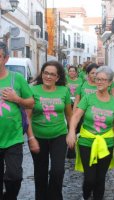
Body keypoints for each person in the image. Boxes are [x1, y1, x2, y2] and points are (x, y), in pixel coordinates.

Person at [67, 66, 114, 200]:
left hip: (106, 143)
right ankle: (86, 196)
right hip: (87, 141)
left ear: (110, 83)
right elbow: (76, 116)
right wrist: (72, 132)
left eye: (103, 79)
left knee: (100, 179)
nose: (99, 82)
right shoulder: (88, 98)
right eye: (97, 79)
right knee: (90, 179)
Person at [26, 61, 72, 200]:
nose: (48, 76)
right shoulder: (33, 90)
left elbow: (69, 115)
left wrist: (71, 133)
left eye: (52, 74)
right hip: (38, 136)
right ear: (42, 74)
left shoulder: (64, 91)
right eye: (46, 73)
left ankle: (55, 197)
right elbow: (27, 117)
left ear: (57, 78)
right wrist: (31, 138)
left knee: (58, 171)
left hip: (59, 135)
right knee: (40, 173)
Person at [0, 41, 34, 199]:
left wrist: (16, 98)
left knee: (14, 176)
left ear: (6, 58)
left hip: (13, 138)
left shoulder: (17, 78)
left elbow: (31, 102)